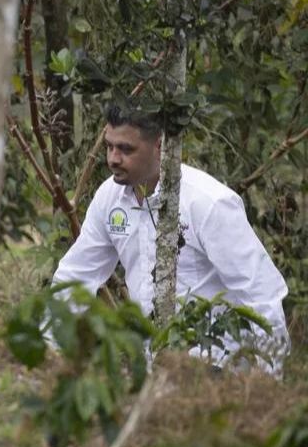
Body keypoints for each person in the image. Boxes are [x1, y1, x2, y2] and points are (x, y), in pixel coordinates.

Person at [52, 103, 290, 371]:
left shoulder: (208, 202)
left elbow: (262, 295)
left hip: (218, 368)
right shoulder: (110, 197)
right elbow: (75, 276)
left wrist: (267, 387)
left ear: (159, 145)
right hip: (153, 365)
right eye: (109, 146)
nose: (113, 159)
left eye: (126, 149)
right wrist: (47, 355)